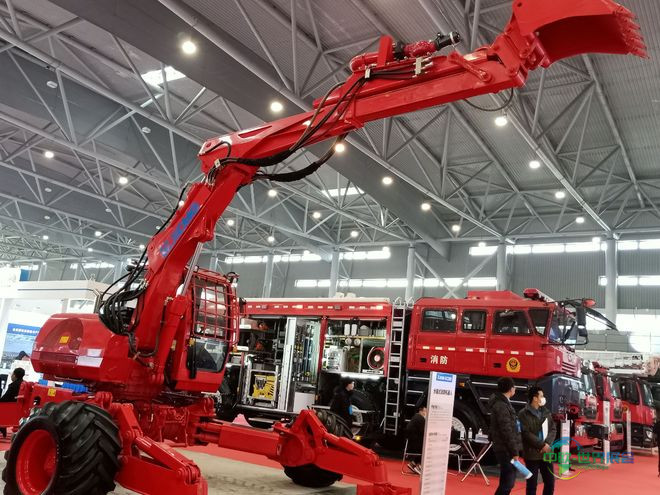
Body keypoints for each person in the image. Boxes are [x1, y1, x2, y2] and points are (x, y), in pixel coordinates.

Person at [488, 376, 524, 495]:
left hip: (505, 447)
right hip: (505, 449)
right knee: (508, 481)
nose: (515, 389)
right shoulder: (502, 405)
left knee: (507, 480)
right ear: (510, 389)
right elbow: (506, 430)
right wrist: (514, 451)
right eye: (514, 386)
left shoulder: (503, 403)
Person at [519, 386, 557, 495]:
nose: (543, 398)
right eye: (541, 396)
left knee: (550, 482)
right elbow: (526, 433)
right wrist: (542, 445)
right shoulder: (523, 414)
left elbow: (553, 429)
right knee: (531, 485)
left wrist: (548, 444)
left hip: (547, 453)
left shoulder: (546, 412)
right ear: (535, 398)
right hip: (532, 454)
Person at [0, 368, 25, 438]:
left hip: (11, 407)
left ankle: (2, 427)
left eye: (12, 374)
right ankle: (2, 427)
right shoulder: (23, 384)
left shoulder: (13, 385)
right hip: (19, 408)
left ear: (15, 375)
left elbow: (6, 398)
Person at [405, 404, 427, 474]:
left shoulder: (416, 417)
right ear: (421, 411)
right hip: (414, 444)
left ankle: (413, 464)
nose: (426, 413)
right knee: (426, 448)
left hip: (410, 443)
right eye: (425, 411)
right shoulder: (420, 418)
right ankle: (418, 466)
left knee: (425, 446)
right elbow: (424, 432)